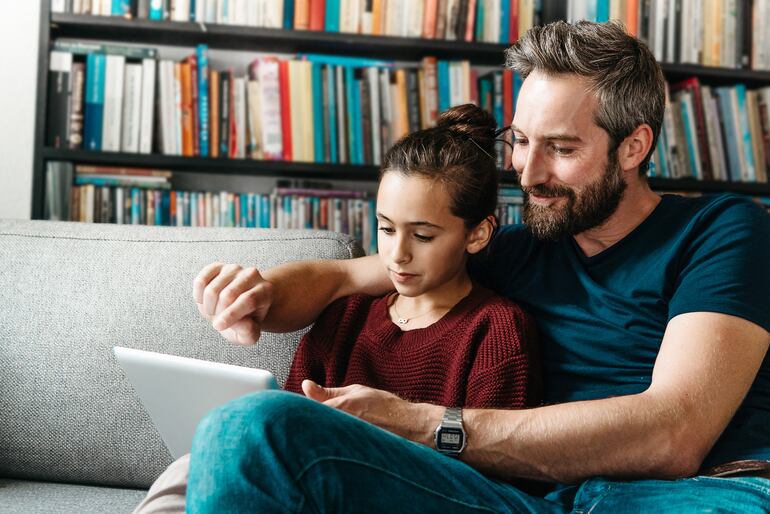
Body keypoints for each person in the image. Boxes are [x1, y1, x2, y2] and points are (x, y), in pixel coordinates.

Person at [184, 20, 770, 513]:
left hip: (703, 492)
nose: (527, 172)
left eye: (561, 149)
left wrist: (421, 423)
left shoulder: (721, 231)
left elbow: (674, 434)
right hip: (538, 501)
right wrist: (257, 291)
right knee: (251, 430)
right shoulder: (512, 249)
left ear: (634, 147)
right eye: (519, 140)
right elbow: (345, 275)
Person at [133, 104, 542, 513]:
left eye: (422, 235)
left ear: (478, 234)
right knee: (192, 469)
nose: (397, 254)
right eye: (386, 228)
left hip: (405, 497)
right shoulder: (346, 316)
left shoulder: (497, 329)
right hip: (310, 495)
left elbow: (486, 481)